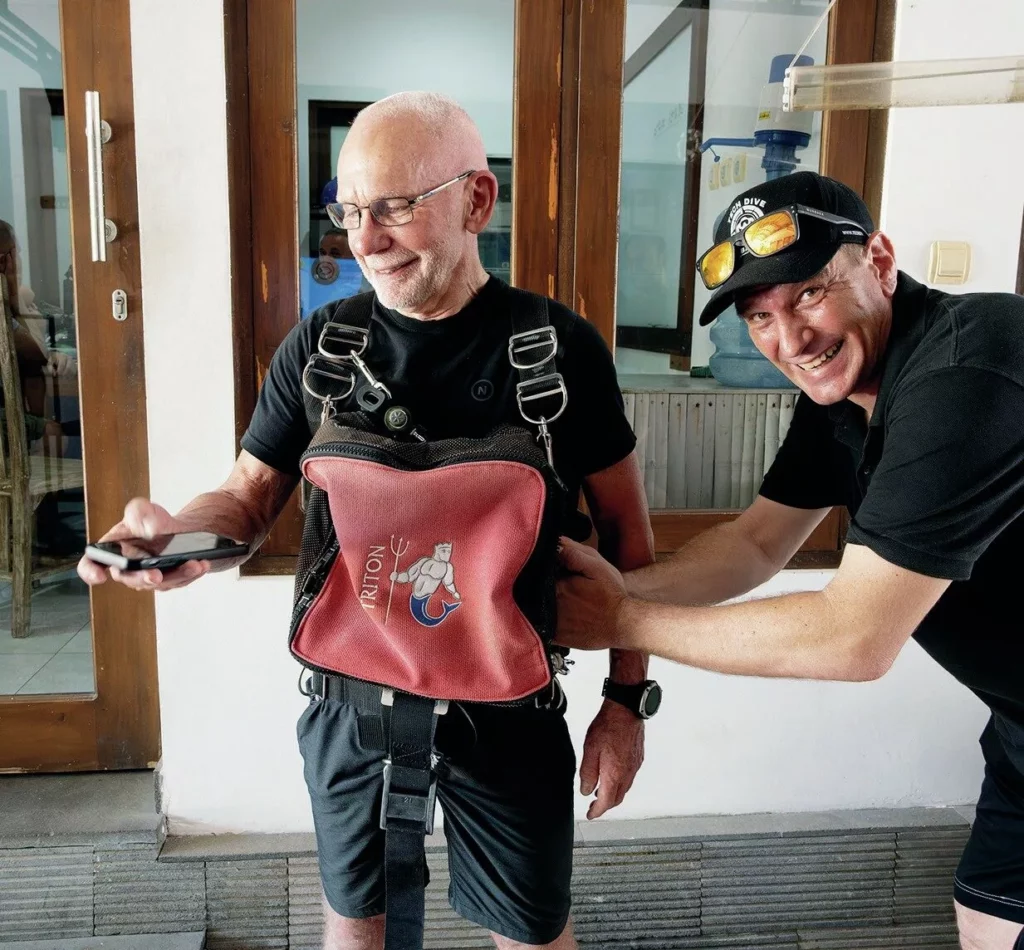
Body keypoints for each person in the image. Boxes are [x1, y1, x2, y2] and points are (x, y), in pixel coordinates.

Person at [79, 91, 656, 950]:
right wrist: (181, 539)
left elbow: (630, 540)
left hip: (508, 708)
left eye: (394, 207)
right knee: (358, 927)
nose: (365, 240)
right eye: (349, 210)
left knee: (533, 935)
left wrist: (625, 703)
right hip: (351, 709)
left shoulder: (558, 352)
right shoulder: (320, 348)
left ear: (476, 199)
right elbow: (244, 498)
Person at [555, 170, 1024, 950]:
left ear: (878, 260)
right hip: (1018, 731)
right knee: (985, 925)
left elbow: (853, 638)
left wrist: (621, 616)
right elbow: (756, 543)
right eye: (759, 317)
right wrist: (608, 588)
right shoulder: (839, 397)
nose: (791, 341)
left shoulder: (964, 368)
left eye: (808, 293)